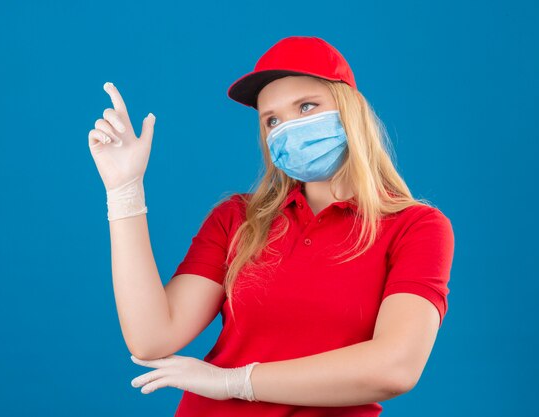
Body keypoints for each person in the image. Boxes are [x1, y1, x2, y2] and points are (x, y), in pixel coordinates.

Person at [88, 36, 455, 417]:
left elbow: (395, 367)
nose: (287, 128)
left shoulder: (416, 228)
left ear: (350, 111)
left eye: (307, 106)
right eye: (272, 120)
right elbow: (152, 337)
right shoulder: (238, 219)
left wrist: (235, 382)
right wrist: (124, 191)